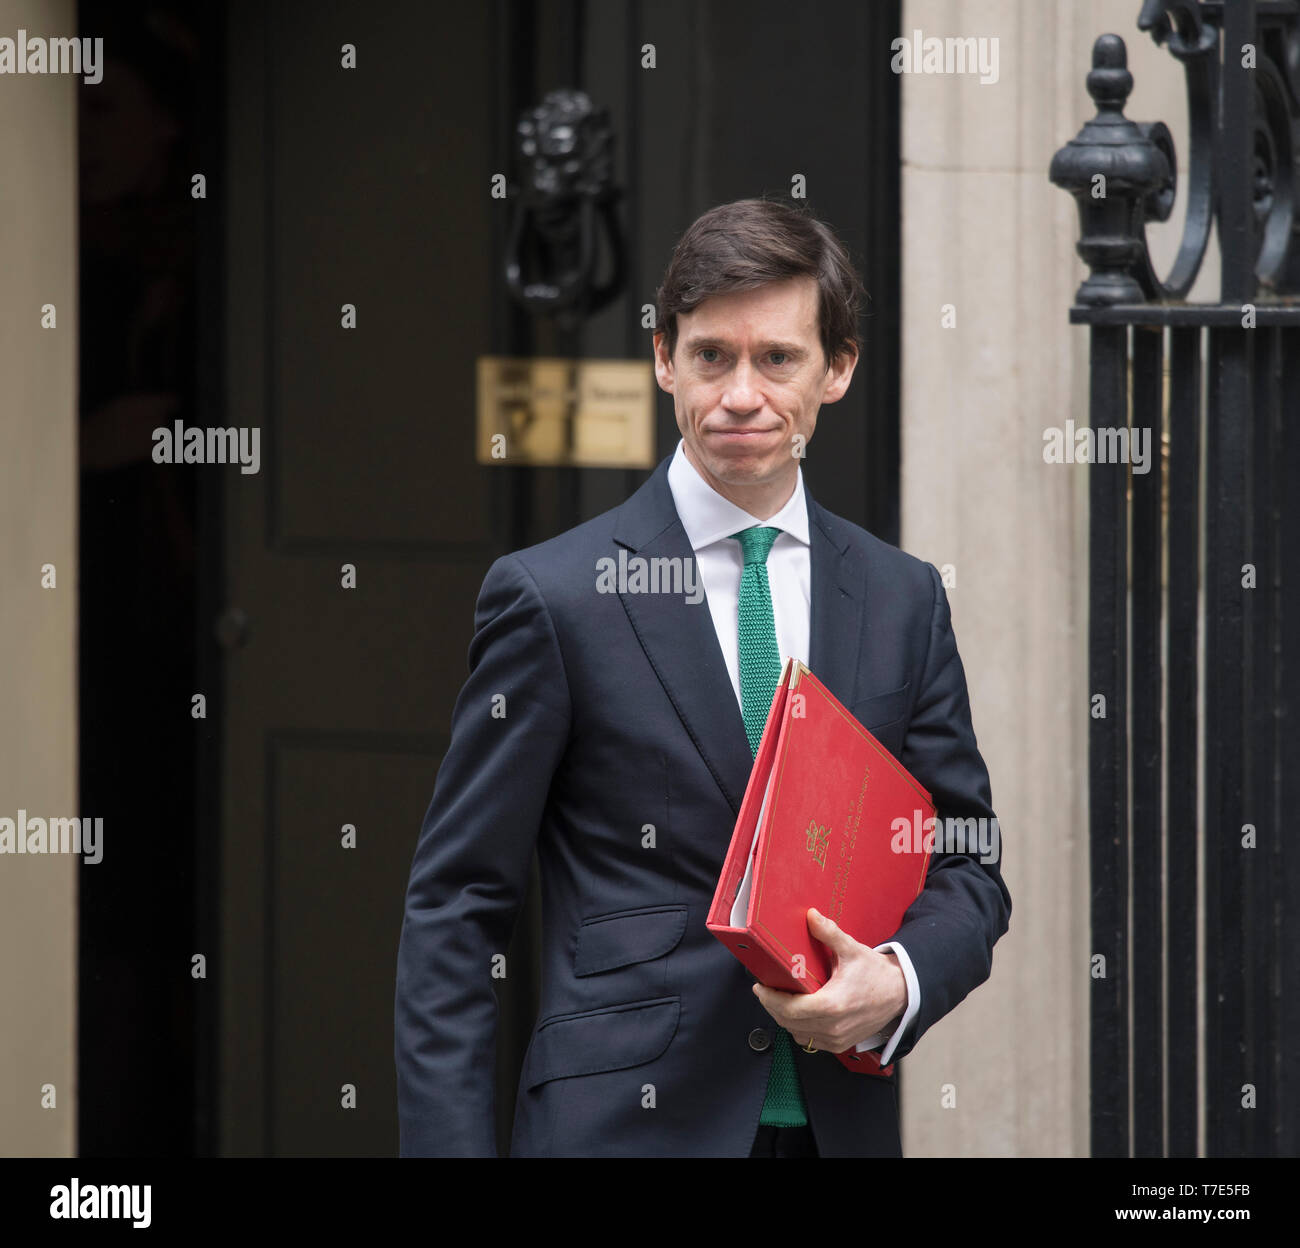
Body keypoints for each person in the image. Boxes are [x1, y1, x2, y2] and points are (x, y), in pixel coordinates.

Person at [395, 197, 1010, 1157]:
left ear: (837, 369)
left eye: (778, 358)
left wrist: (897, 979)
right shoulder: (552, 597)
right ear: (662, 360)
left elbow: (967, 858)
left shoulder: (904, 598)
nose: (740, 394)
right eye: (711, 355)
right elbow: (457, 905)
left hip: (835, 1128)